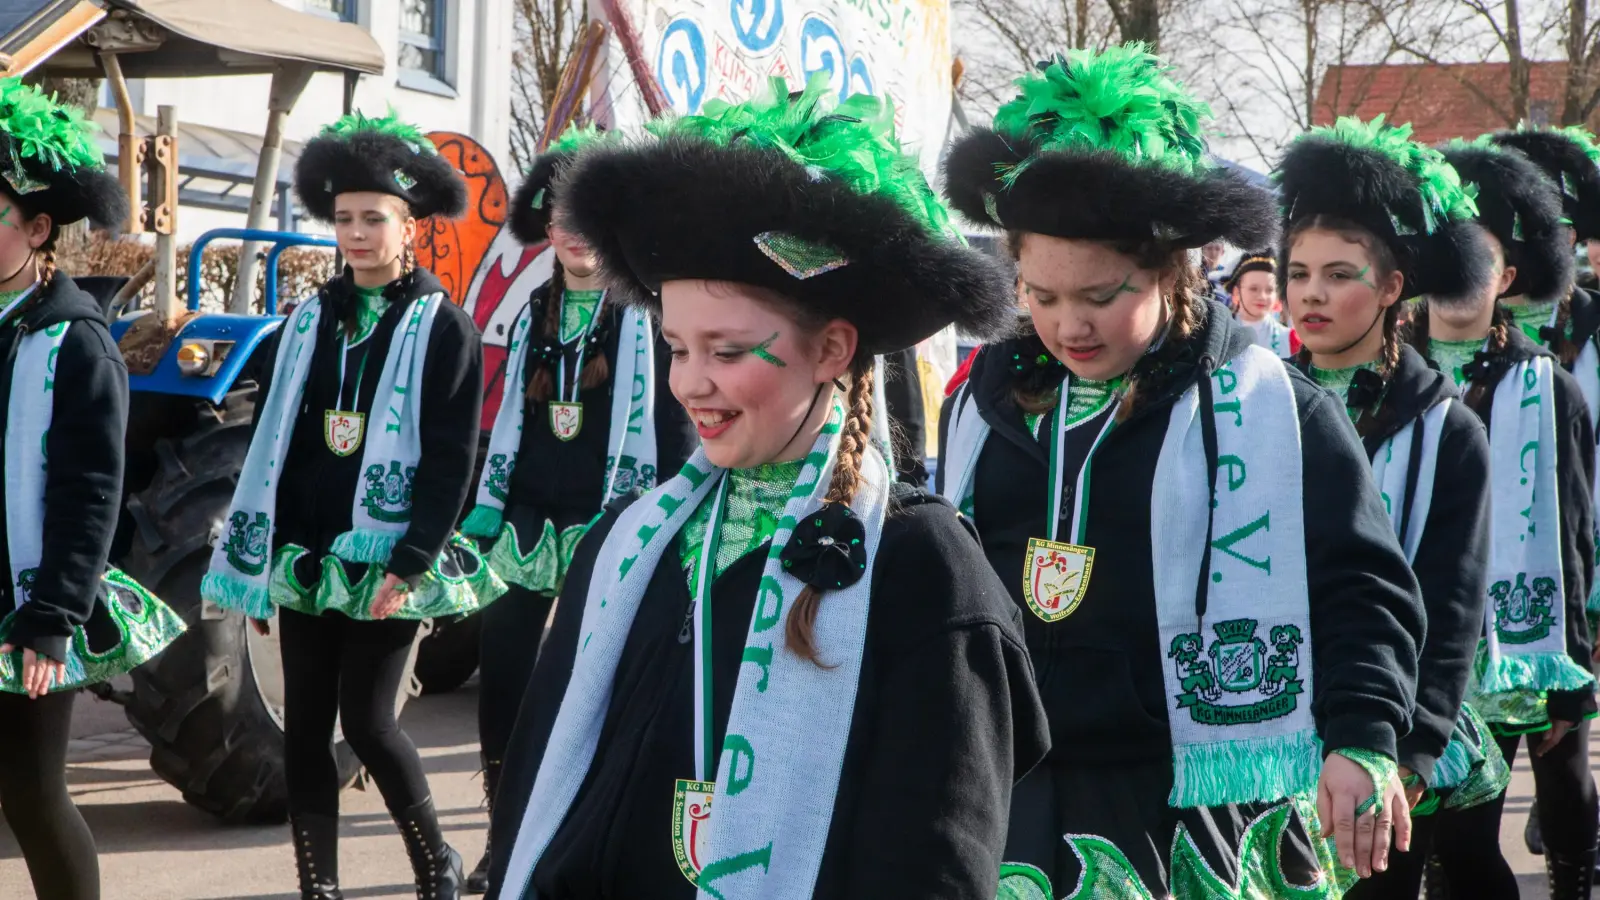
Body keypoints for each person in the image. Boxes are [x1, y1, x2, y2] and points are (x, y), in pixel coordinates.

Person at [486, 75, 1049, 900]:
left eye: (727, 351)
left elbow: (933, 863)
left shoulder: (920, 568)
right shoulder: (627, 542)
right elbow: (538, 786)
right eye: (677, 348)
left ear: (831, 351)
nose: (691, 383)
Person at [938, 45, 1426, 898]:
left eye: (1102, 297)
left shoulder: (1276, 411)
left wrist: (1364, 737)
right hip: (1008, 795)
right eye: (1041, 296)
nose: (1069, 325)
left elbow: (1362, 588)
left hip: (1188, 801)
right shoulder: (982, 406)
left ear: (1174, 272)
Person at [201, 110, 500, 900]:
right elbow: (281, 448)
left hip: (387, 557)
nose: (357, 235)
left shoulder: (445, 328)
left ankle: (435, 862)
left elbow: (451, 458)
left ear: (410, 228)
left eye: (374, 219)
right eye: (344, 220)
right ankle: (319, 887)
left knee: (368, 723)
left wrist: (413, 557)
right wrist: (264, 560)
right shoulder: (306, 324)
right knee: (305, 729)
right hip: (307, 556)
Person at [459, 124, 695, 894]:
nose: (570, 229)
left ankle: (580, 834)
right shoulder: (535, 307)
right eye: (558, 214)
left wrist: (664, 521)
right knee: (503, 683)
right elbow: (513, 420)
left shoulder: (649, 316)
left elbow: (675, 429)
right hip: (526, 521)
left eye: (584, 213)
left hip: (615, 521)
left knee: (595, 690)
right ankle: (503, 837)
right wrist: (488, 504)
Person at [1277, 119, 1503, 899]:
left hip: (1387, 725)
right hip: (1264, 722)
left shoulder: (1448, 429)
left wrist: (1410, 749)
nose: (1311, 293)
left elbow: (1452, 599)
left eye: (1339, 274)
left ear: (1392, 288)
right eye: (1298, 273)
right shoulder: (1245, 405)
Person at [0, 77, 187, 900]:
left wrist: (51, 617)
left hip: (27, 600)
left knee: (32, 796)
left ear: (38, 230)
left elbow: (90, 492)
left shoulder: (75, 344)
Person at [1406, 136, 1599, 899]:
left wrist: (1571, 677)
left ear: (1508, 276)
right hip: (1414, 646)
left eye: (1476, 258)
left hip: (1516, 643)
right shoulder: (1382, 377)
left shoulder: (1548, 387)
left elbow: (1572, 533)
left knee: (1549, 794)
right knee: (1431, 848)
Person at [1228, 250, 1297, 357]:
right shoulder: (1221, 335)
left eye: (1269, 290)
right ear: (1237, 292)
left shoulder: (1291, 340)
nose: (1262, 296)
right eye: (1253, 289)